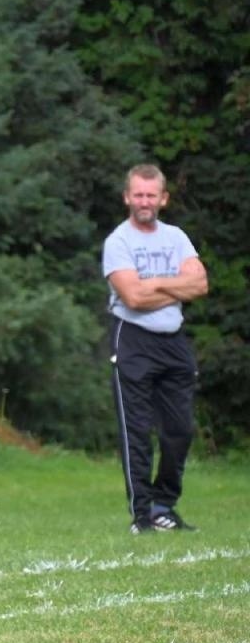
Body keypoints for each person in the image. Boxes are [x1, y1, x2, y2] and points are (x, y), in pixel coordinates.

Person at [103, 163, 209, 533]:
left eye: (151, 194)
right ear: (127, 197)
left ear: (163, 198)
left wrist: (154, 284)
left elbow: (200, 285)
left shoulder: (176, 237)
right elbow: (131, 296)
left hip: (174, 342)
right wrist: (175, 283)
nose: (144, 201)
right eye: (138, 194)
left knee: (179, 429)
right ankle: (141, 515)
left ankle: (165, 506)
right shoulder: (118, 242)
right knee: (136, 431)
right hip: (132, 339)